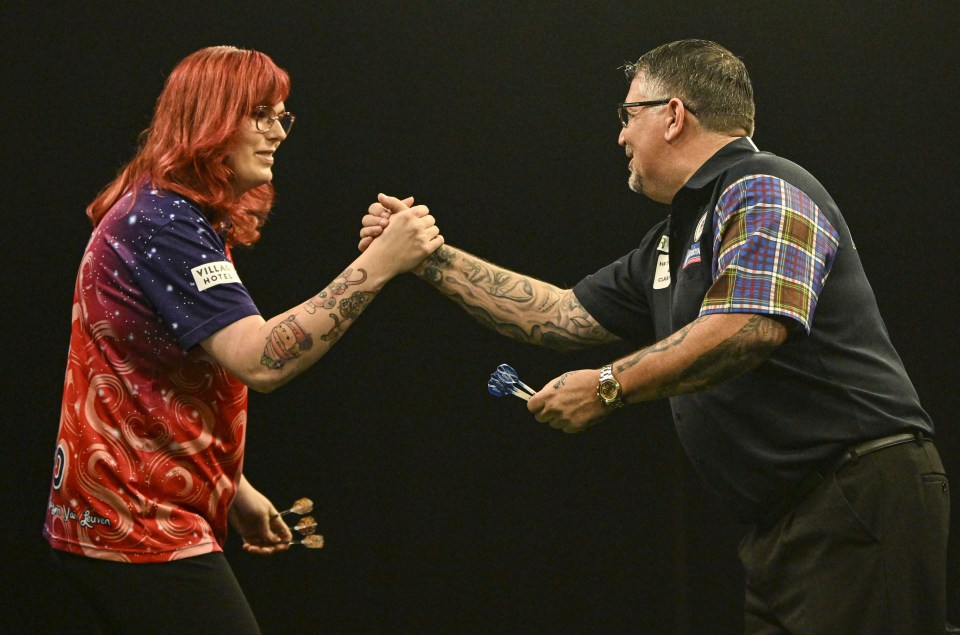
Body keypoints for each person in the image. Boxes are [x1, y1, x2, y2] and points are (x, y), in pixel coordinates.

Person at [359, 39, 949, 634]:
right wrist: (425, 258)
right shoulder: (673, 237)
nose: (620, 136)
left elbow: (749, 326)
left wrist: (608, 386)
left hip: (856, 492)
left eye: (627, 115)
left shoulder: (765, 183)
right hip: (784, 520)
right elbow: (561, 315)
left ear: (673, 115)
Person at [43, 46, 443, 634]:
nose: (277, 132)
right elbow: (261, 359)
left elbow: (149, 374)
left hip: (119, 513)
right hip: (136, 523)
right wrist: (382, 263)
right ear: (210, 121)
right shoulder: (162, 222)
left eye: (281, 116)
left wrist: (232, 488)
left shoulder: (168, 211)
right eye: (259, 114)